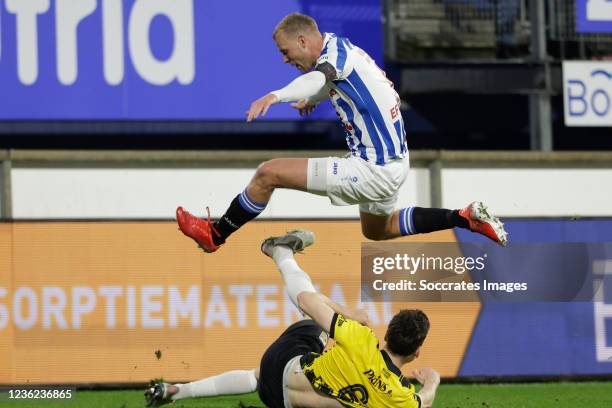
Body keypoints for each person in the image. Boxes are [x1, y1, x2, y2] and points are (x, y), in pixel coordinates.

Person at [175, 12, 508, 253]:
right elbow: (330, 81)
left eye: (285, 52)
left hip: (371, 168)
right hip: (393, 164)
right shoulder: (340, 48)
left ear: (303, 41)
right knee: (380, 230)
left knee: (267, 174)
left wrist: (275, 95)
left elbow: (320, 78)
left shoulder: (334, 57)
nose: (285, 59)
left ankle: (215, 235)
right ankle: (464, 218)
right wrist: (312, 100)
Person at [145, 230, 440, 408]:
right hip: (278, 401)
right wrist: (432, 381)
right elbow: (423, 401)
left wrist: (346, 315)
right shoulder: (400, 398)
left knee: (313, 314)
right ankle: (176, 392)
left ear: (386, 334)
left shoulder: (362, 339)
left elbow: (306, 301)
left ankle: (281, 252)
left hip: (280, 363)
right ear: (417, 352)